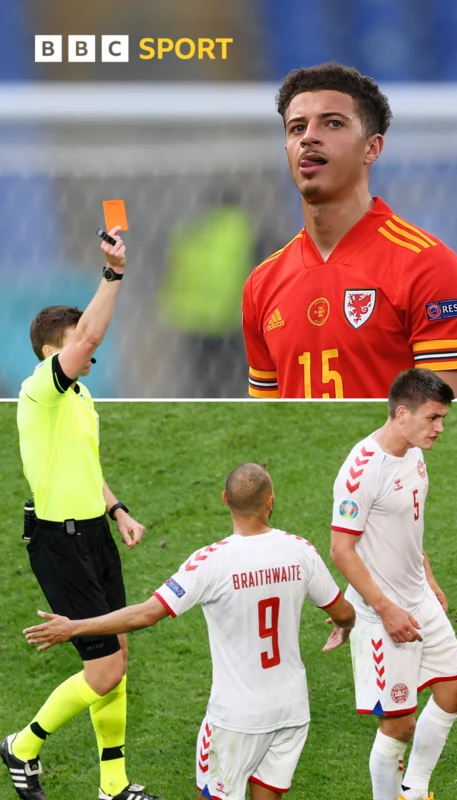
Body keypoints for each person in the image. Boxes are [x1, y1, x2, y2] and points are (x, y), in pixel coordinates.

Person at [23, 463, 356, 800]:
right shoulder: (300, 550)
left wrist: (74, 627)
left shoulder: (211, 561)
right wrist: (344, 628)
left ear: (225, 499)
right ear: (271, 501)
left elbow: (146, 615)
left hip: (235, 719)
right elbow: (343, 612)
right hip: (291, 711)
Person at [0, 227, 164, 800]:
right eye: (76, 343)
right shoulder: (38, 390)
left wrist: (117, 510)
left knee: (117, 655)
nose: (89, 350)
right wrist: (113, 274)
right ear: (52, 351)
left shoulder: (82, 398)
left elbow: (85, 468)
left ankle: (113, 786)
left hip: (94, 534)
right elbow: (93, 329)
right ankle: (22, 746)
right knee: (104, 672)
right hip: (58, 543)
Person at [242, 62, 457, 400]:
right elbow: (264, 422)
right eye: (296, 128)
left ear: (372, 148)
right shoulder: (261, 284)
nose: (308, 136)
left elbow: (445, 424)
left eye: (333, 123)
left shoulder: (426, 265)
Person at [326, 368, 457, 800]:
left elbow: (410, 525)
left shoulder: (414, 451)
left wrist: (427, 576)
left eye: (443, 418)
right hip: (379, 612)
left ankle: (414, 787)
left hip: (418, 597)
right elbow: (341, 550)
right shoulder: (361, 471)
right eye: (433, 418)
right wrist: (386, 609)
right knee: (398, 725)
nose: (440, 428)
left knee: (456, 692)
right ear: (402, 412)